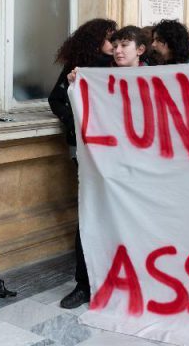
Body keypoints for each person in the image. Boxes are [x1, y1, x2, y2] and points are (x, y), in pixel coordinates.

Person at [47, 18, 117, 310]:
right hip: (86, 153)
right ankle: (83, 284)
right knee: (89, 213)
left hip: (118, 154)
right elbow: (57, 98)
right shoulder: (79, 70)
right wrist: (75, 122)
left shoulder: (121, 67)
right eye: (110, 38)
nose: (114, 45)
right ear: (96, 40)